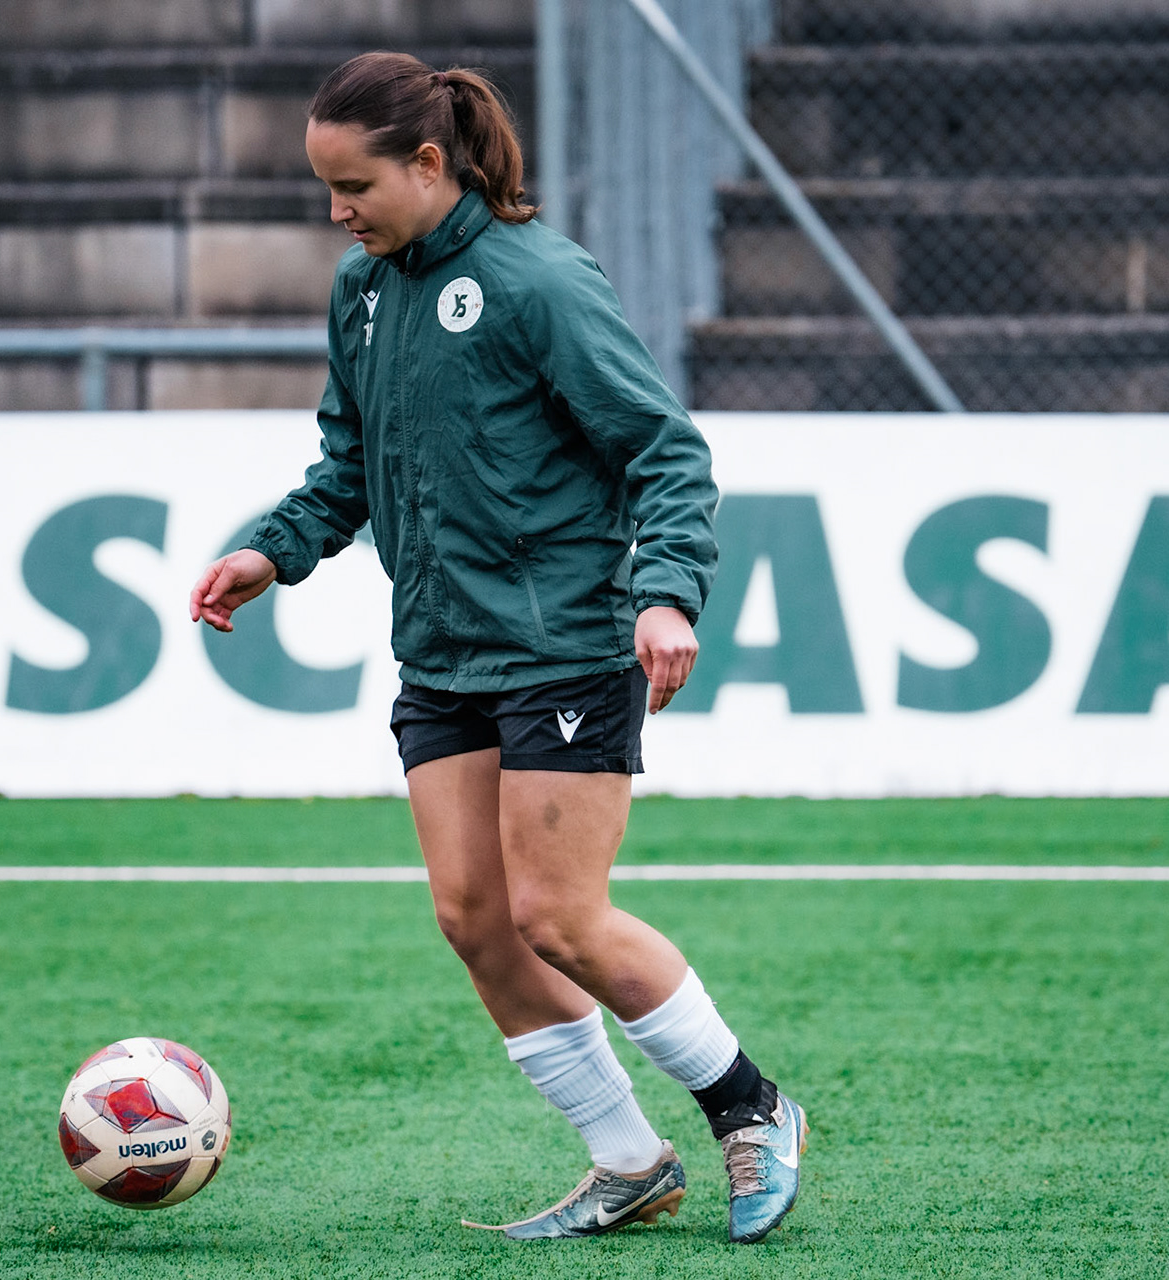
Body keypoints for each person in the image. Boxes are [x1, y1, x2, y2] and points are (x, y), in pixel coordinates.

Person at [189, 50, 806, 1244]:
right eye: (324, 188)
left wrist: (666, 594)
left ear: (430, 163)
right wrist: (275, 551)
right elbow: (345, 467)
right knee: (475, 917)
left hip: (567, 643)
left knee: (560, 913)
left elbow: (665, 451)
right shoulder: (360, 292)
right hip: (442, 653)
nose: (336, 211)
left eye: (352, 184)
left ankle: (753, 1107)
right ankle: (628, 1160)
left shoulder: (539, 282)